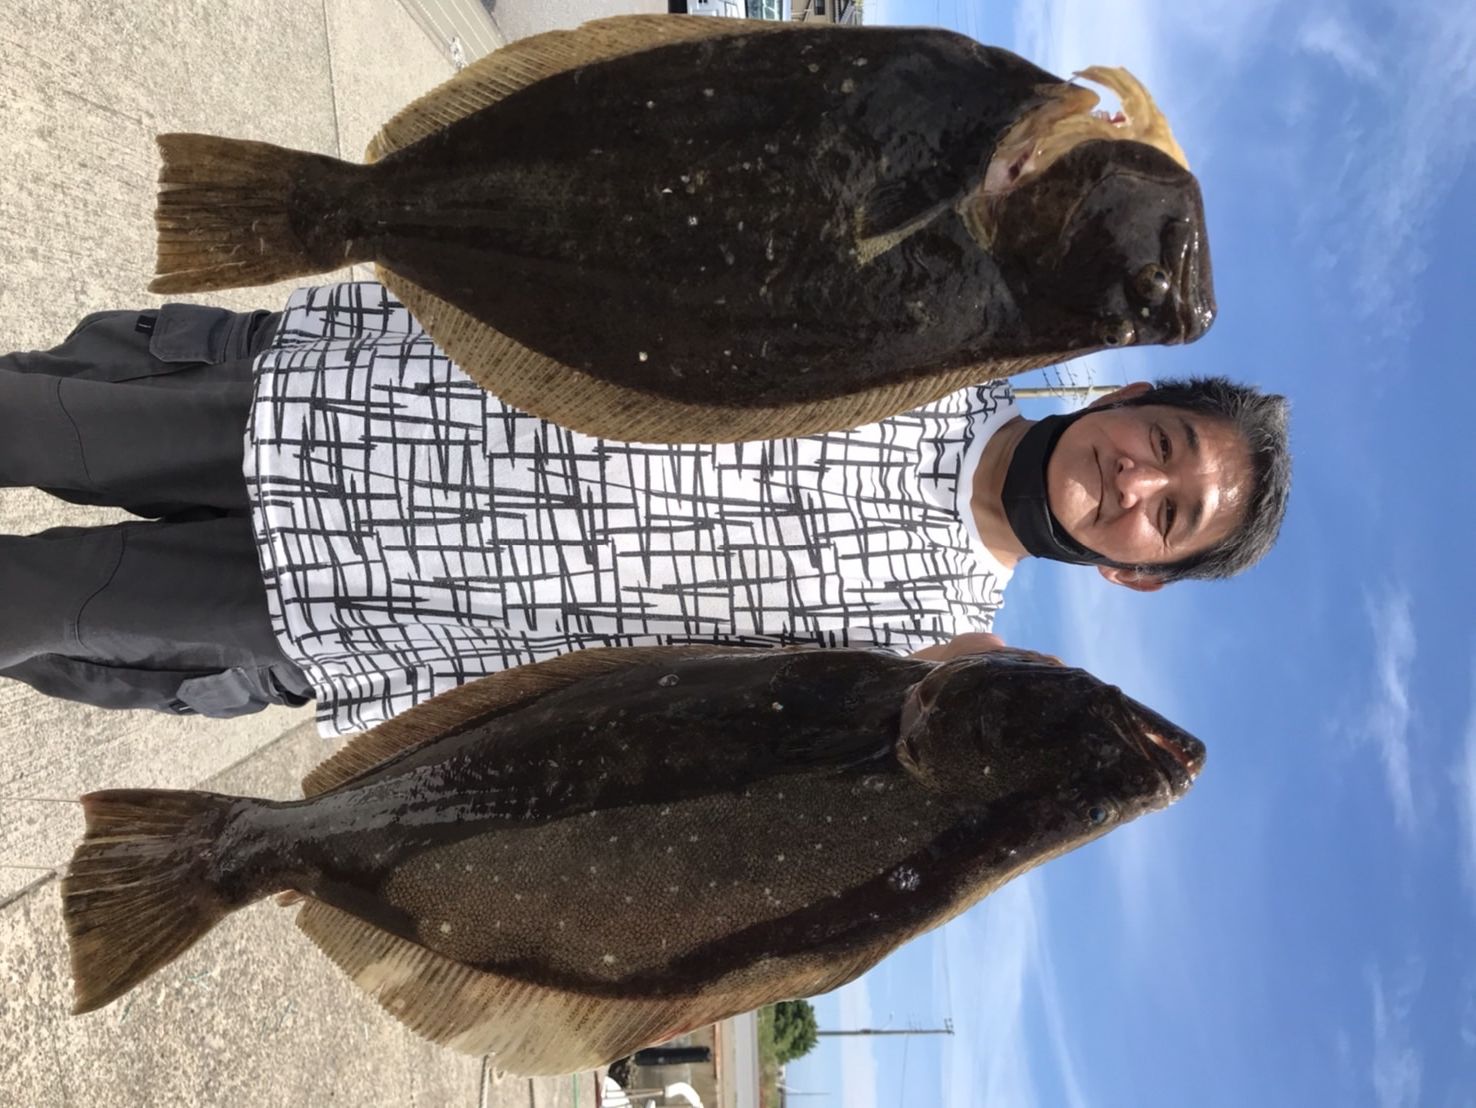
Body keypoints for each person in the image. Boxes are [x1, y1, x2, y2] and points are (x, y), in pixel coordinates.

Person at [0, 283, 1291, 733]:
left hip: (351, 613)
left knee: (30, 608)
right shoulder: (937, 337)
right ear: (1130, 396)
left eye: (1170, 516)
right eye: (1163, 443)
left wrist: (931, 713)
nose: (1137, 482)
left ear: (1135, 573)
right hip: (321, 399)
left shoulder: (931, 653)